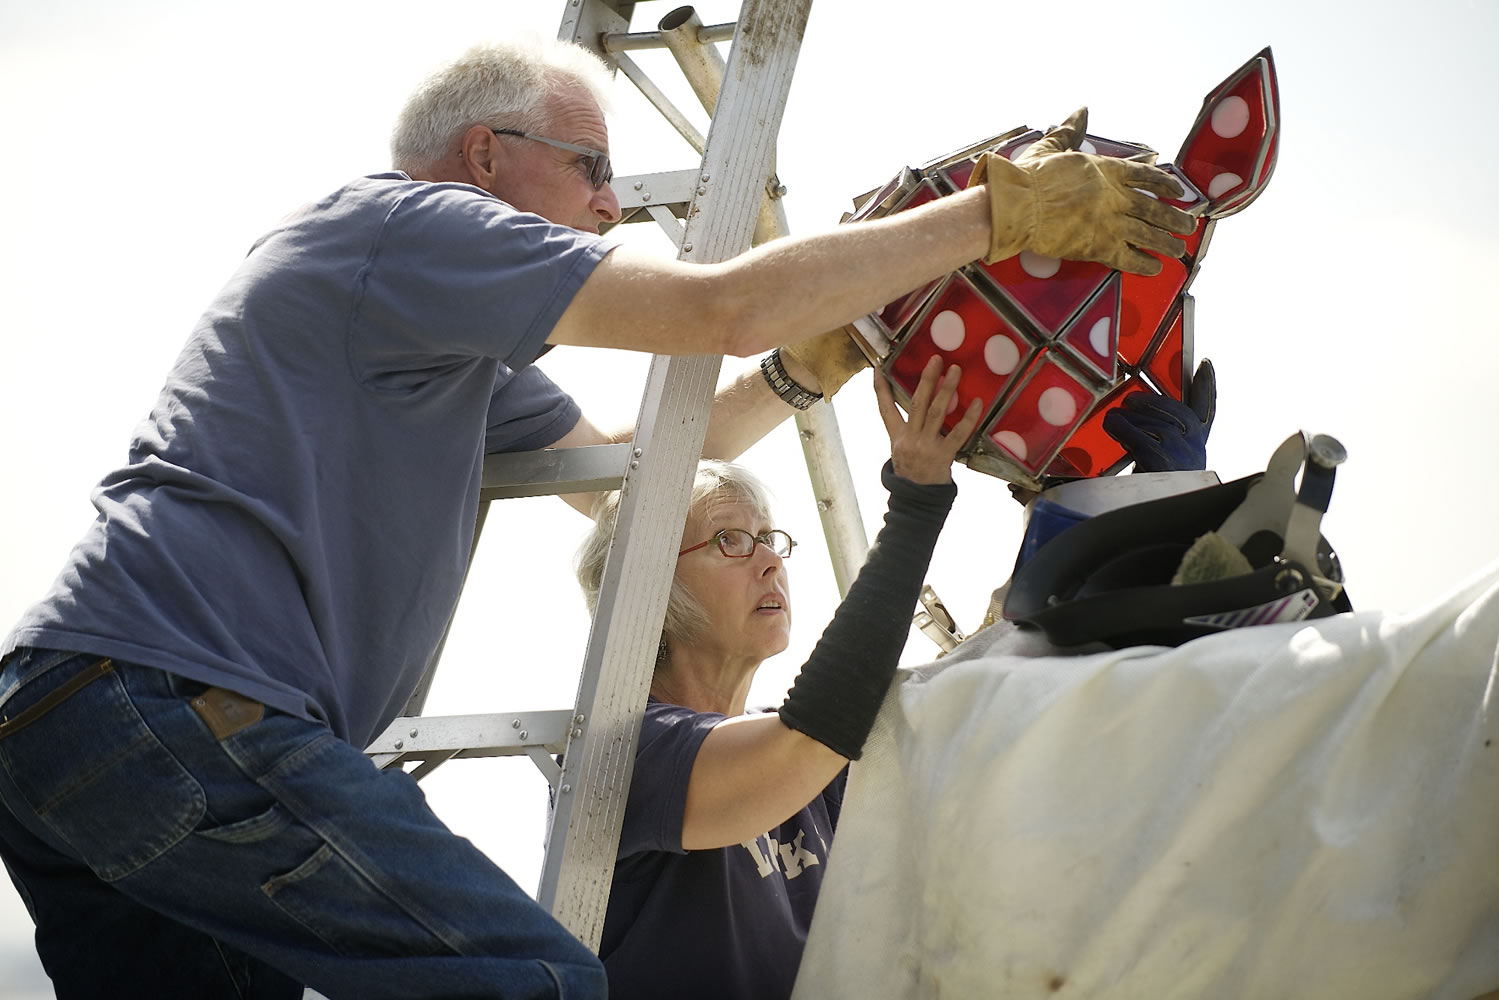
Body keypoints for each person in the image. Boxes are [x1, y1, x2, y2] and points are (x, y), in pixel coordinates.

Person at [0, 31, 1195, 1000]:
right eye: (588, 169)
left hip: (84, 713)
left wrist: (808, 370)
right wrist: (998, 217)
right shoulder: (411, 227)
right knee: (533, 979)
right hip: (173, 698)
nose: (614, 205)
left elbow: (633, 468)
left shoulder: (435, 329)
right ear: (483, 156)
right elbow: (720, 305)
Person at [575, 357, 978, 999]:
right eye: (729, 541)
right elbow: (811, 734)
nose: (768, 560)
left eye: (768, 538)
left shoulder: (815, 778)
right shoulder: (625, 752)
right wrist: (917, 504)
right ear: (649, 588)